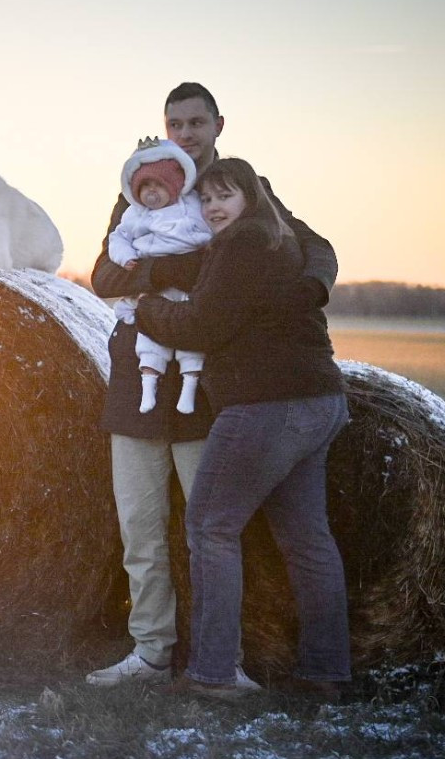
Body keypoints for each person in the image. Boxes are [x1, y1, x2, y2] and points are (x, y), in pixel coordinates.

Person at [85, 82, 338, 687]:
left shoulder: (239, 190)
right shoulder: (141, 187)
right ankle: (149, 653)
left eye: (197, 122)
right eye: (176, 124)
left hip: (209, 388)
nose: (187, 134)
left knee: (216, 532)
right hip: (138, 384)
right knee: (141, 533)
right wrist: (174, 269)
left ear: (219, 125)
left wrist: (309, 292)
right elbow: (102, 276)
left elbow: (315, 247)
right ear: (165, 128)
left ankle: (224, 658)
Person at [136, 157, 351, 701]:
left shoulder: (242, 243)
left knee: (210, 526)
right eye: (206, 200)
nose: (212, 208)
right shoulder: (276, 239)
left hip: (266, 404)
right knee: (307, 539)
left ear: (250, 198)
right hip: (319, 400)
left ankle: (212, 674)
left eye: (224, 197)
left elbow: (204, 324)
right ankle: (325, 671)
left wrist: (148, 310)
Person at [106, 137, 210, 416]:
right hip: (152, 289)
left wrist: (202, 257)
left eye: (158, 185)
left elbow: (209, 235)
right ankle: (148, 388)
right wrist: (126, 257)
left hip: (186, 294)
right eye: (145, 186)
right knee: (149, 341)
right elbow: (116, 240)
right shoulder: (134, 214)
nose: (151, 192)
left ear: (175, 187)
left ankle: (189, 390)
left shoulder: (194, 207)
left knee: (191, 344)